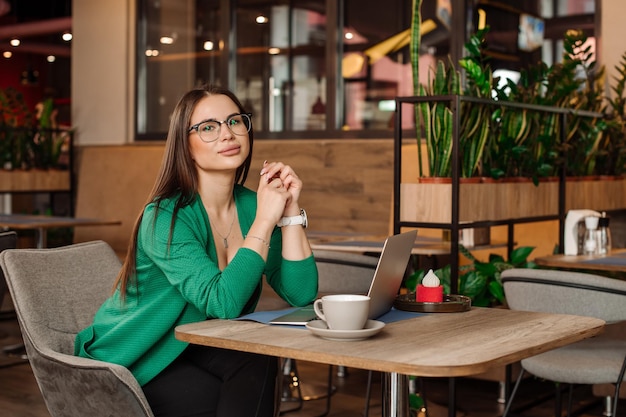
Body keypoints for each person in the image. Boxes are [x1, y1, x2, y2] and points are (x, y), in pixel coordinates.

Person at [74, 84, 319, 417]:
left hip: (197, 342)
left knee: (260, 359)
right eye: (208, 127)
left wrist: (290, 212)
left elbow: (300, 293)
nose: (227, 134)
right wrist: (265, 219)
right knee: (222, 397)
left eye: (235, 121)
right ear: (185, 146)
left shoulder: (251, 205)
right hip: (138, 354)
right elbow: (223, 301)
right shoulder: (164, 217)